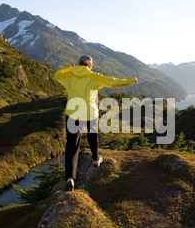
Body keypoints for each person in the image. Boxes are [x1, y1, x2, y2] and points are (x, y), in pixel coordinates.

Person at [54, 55, 137, 191]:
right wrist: (129, 81)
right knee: (93, 136)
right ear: (90, 65)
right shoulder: (93, 76)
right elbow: (113, 82)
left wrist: (69, 68)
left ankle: (70, 178)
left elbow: (57, 74)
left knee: (72, 144)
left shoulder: (69, 75)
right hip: (90, 113)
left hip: (73, 112)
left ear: (79, 64)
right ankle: (95, 159)